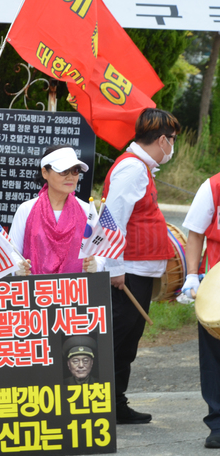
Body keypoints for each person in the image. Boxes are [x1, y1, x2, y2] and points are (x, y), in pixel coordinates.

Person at [102, 107, 180, 425]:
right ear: (162, 139)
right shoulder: (132, 169)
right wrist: (114, 266)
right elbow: (112, 218)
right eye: (172, 140)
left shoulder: (142, 168)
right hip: (127, 271)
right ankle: (95, 403)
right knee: (115, 339)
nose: (173, 146)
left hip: (139, 270)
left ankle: (116, 403)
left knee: (127, 342)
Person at [8, 145, 99, 276]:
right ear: (45, 172)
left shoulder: (86, 210)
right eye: (63, 171)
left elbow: (99, 250)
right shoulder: (27, 209)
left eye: (75, 170)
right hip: (36, 291)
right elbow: (13, 250)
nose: (70, 177)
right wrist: (18, 266)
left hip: (76, 292)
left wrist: (95, 264)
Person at [180, 173, 220, 448]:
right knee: (214, 357)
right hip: (217, 281)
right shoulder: (214, 185)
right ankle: (218, 423)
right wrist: (192, 275)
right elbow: (195, 233)